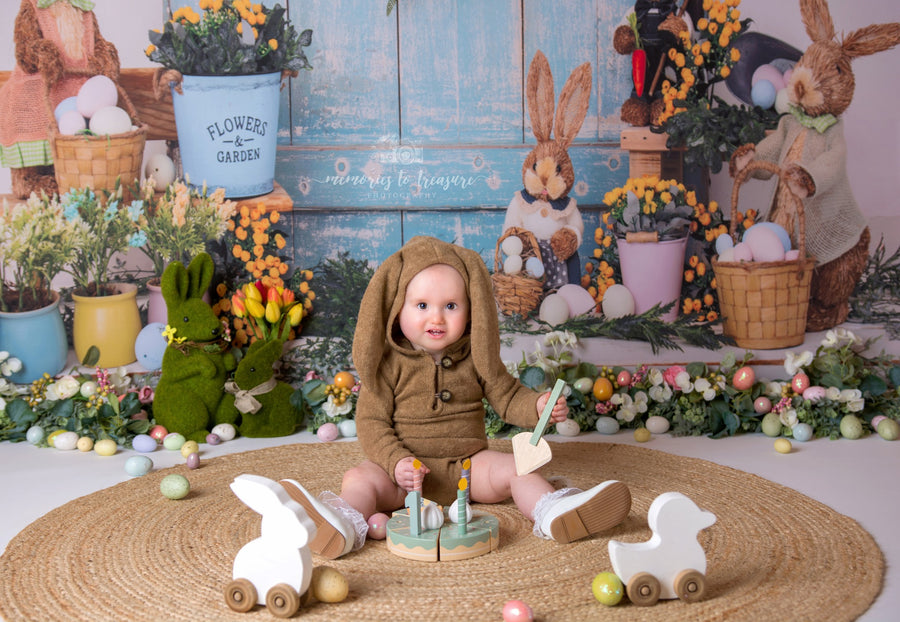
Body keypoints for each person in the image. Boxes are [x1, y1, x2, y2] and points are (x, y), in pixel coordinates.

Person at [281, 236, 631, 558]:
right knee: (358, 478)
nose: (436, 317)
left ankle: (555, 512)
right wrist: (395, 462)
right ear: (396, 309)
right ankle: (341, 523)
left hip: (468, 470)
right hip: (405, 482)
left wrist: (537, 406)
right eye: (421, 305)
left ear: (471, 309)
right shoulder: (388, 365)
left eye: (450, 305)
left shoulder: (475, 357)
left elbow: (507, 396)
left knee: (517, 468)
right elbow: (371, 423)